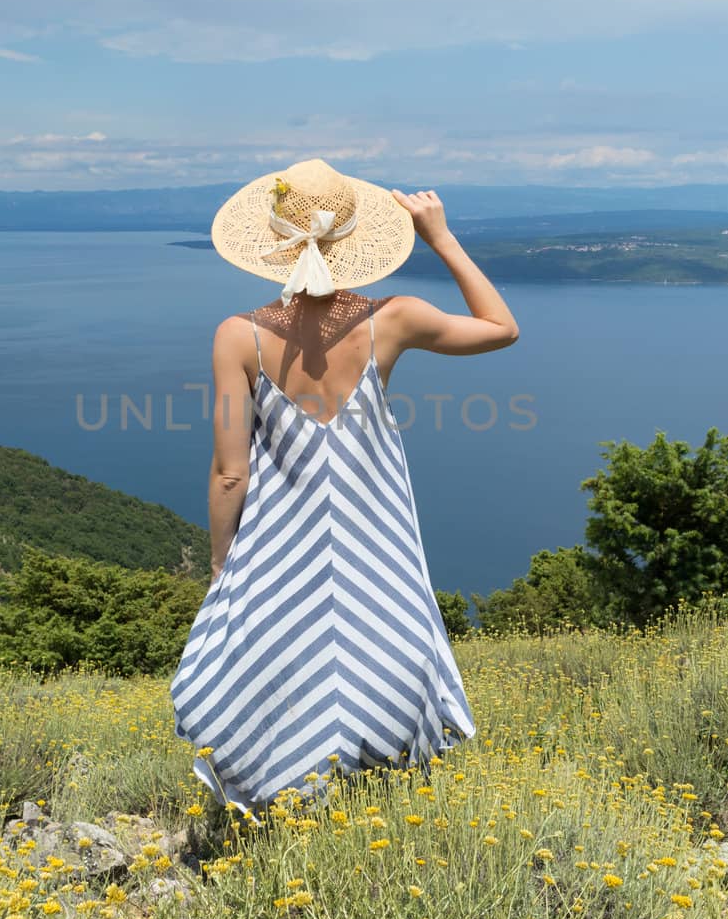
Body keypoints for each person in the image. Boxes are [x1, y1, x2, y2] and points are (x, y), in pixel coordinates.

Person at [169, 158, 520, 814]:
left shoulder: (237, 336)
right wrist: (440, 236)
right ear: (354, 242)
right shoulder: (392, 318)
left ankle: (284, 817)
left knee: (277, 672)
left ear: (273, 244)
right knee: (381, 659)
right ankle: (370, 817)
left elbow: (229, 471)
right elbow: (502, 328)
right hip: (373, 539)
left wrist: (221, 563)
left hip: (281, 548)